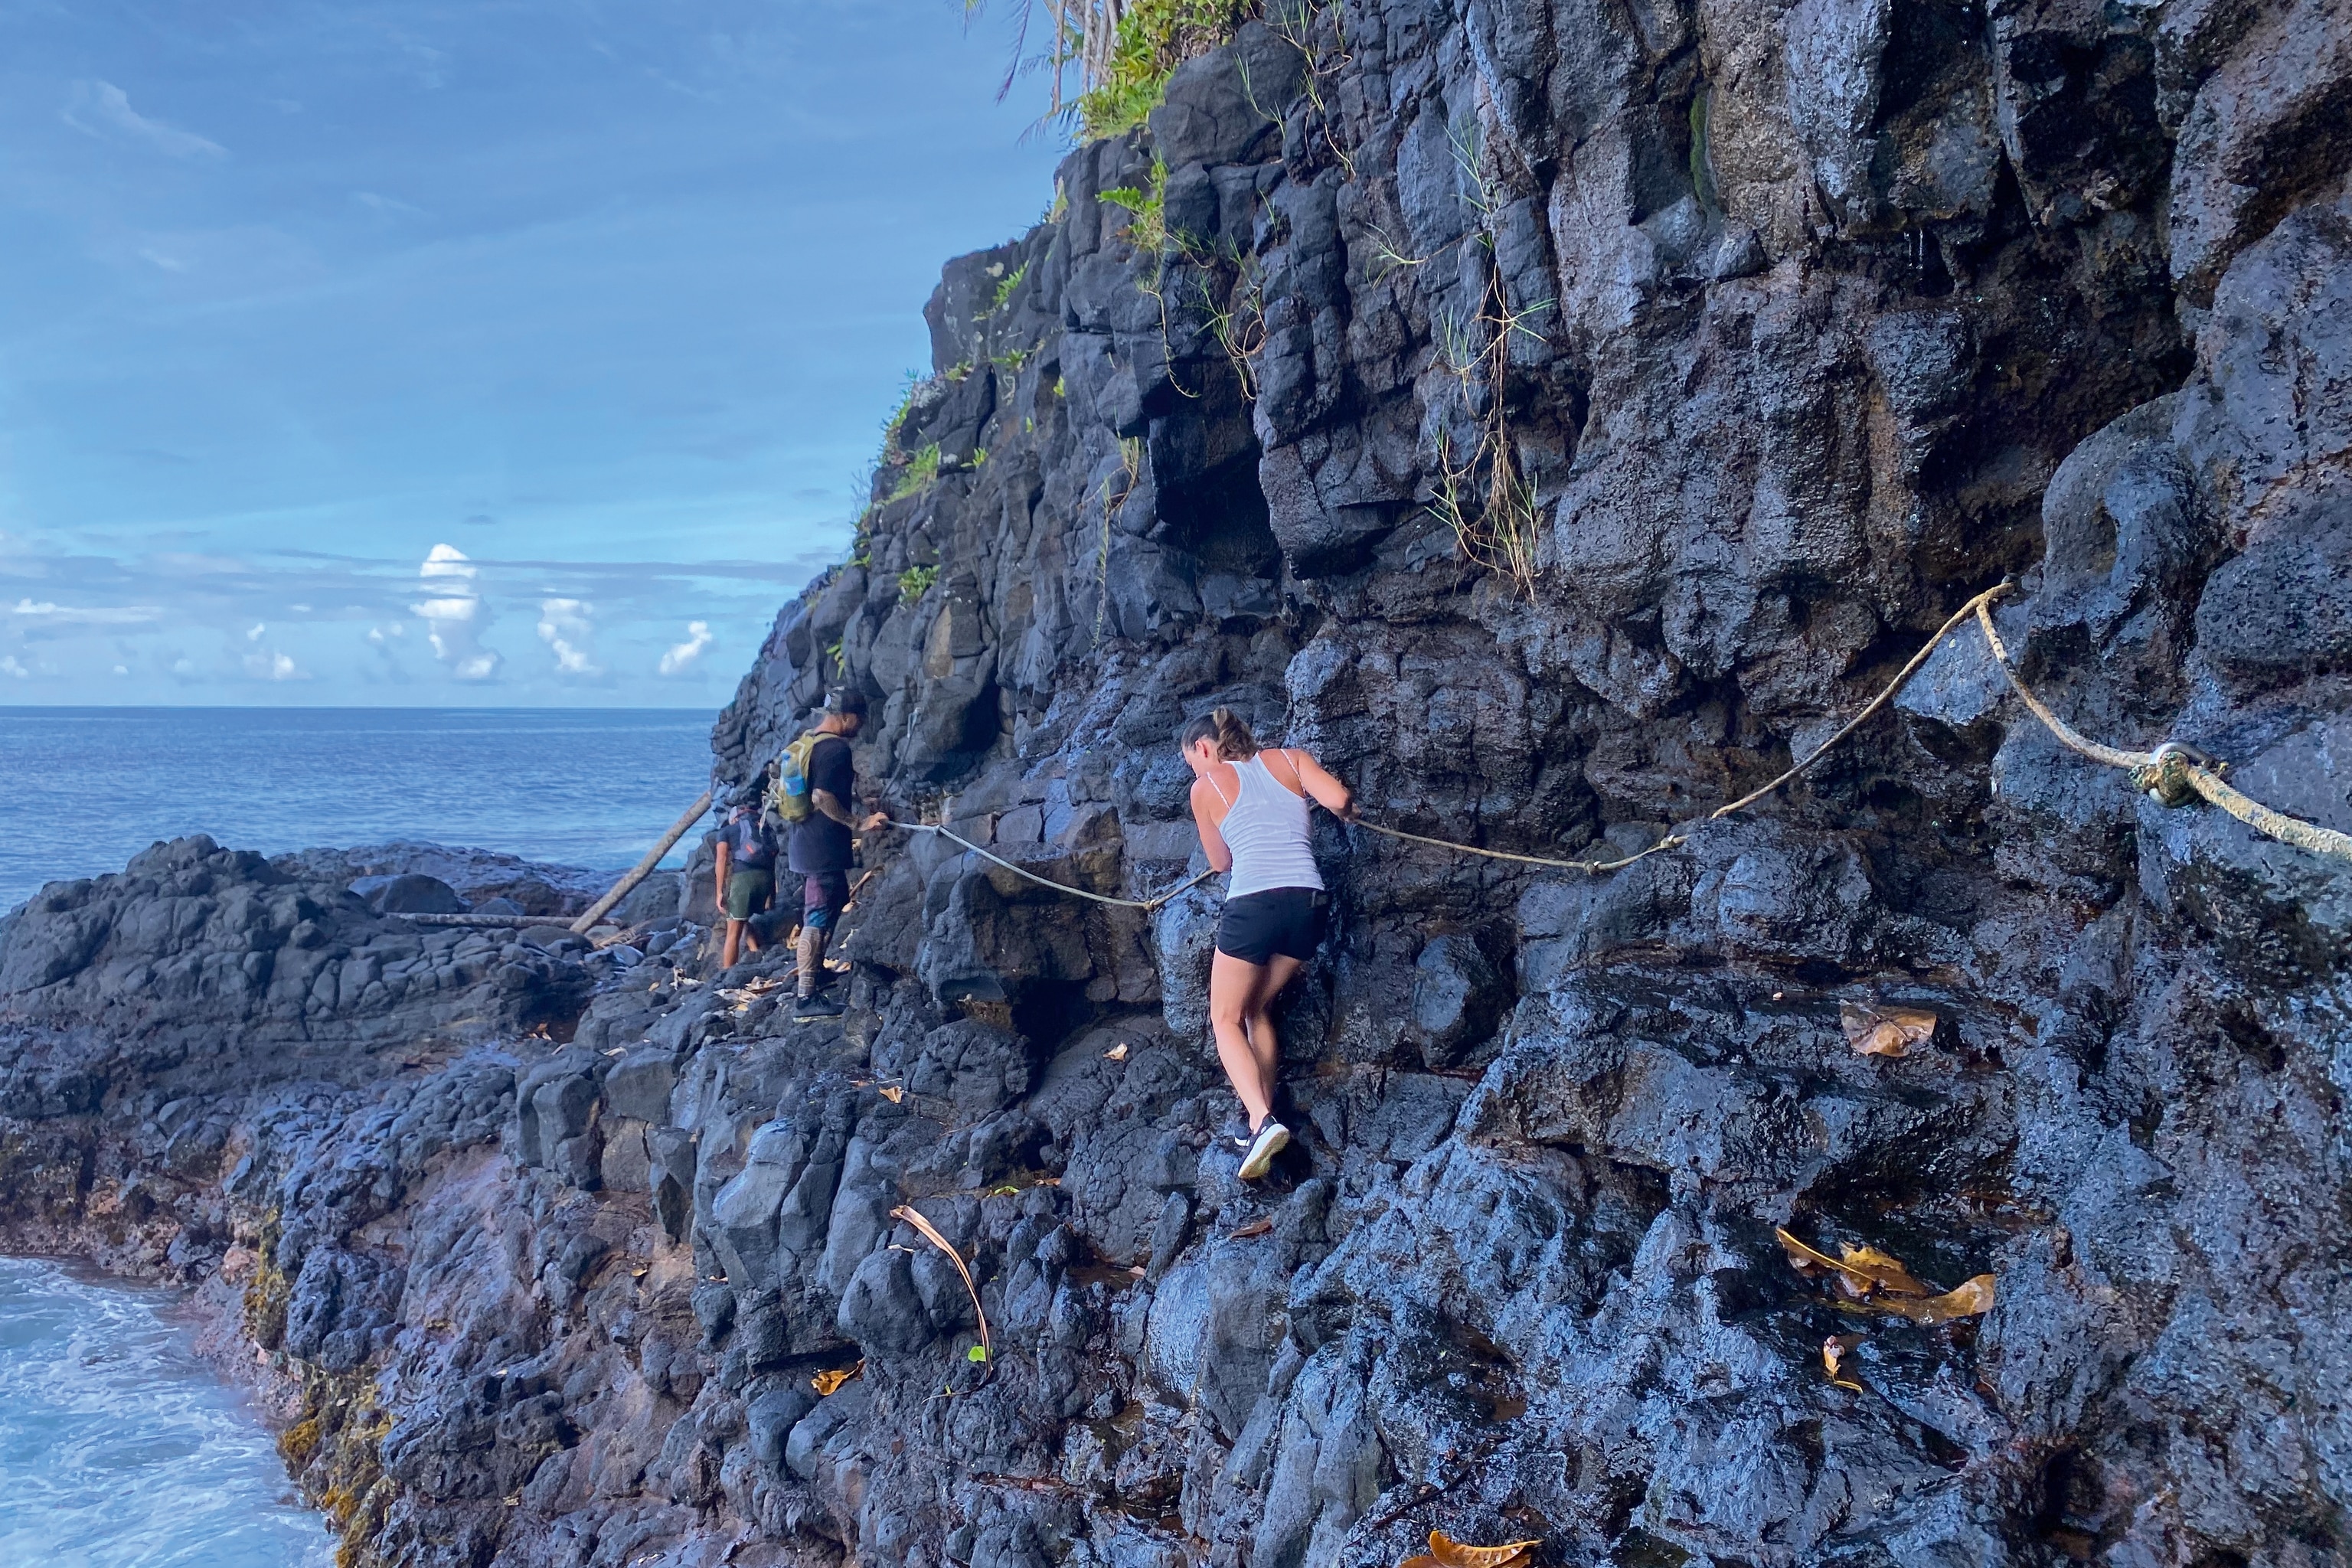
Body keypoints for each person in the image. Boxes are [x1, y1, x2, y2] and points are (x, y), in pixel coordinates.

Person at [1183, 706, 1354, 1179]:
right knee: (1255, 1008)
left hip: (1255, 906)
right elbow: (1339, 799)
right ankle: (1264, 1111)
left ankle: (1261, 1123)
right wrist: (1350, 812)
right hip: (1309, 906)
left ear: (1204, 748)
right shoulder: (1292, 759)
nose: (1194, 772)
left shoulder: (1206, 786)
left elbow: (1220, 863)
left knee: (1223, 1018)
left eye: (1192, 761)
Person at [789, 687, 889, 1018]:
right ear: (845, 717)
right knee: (817, 915)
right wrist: (859, 823)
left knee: (831, 904)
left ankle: (816, 973)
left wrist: (862, 802)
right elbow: (821, 796)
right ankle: (805, 998)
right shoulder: (835, 749)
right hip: (821, 849)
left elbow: (826, 789)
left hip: (805, 843)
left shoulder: (812, 742)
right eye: (859, 717)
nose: (861, 724)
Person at [711, 793, 776, 970]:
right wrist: (772, 893)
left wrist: (719, 893)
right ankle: (757, 952)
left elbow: (721, 860)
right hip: (766, 878)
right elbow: (773, 857)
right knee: (743, 918)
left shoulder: (726, 831)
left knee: (733, 931)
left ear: (734, 818)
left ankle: (726, 975)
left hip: (744, 880)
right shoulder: (764, 828)